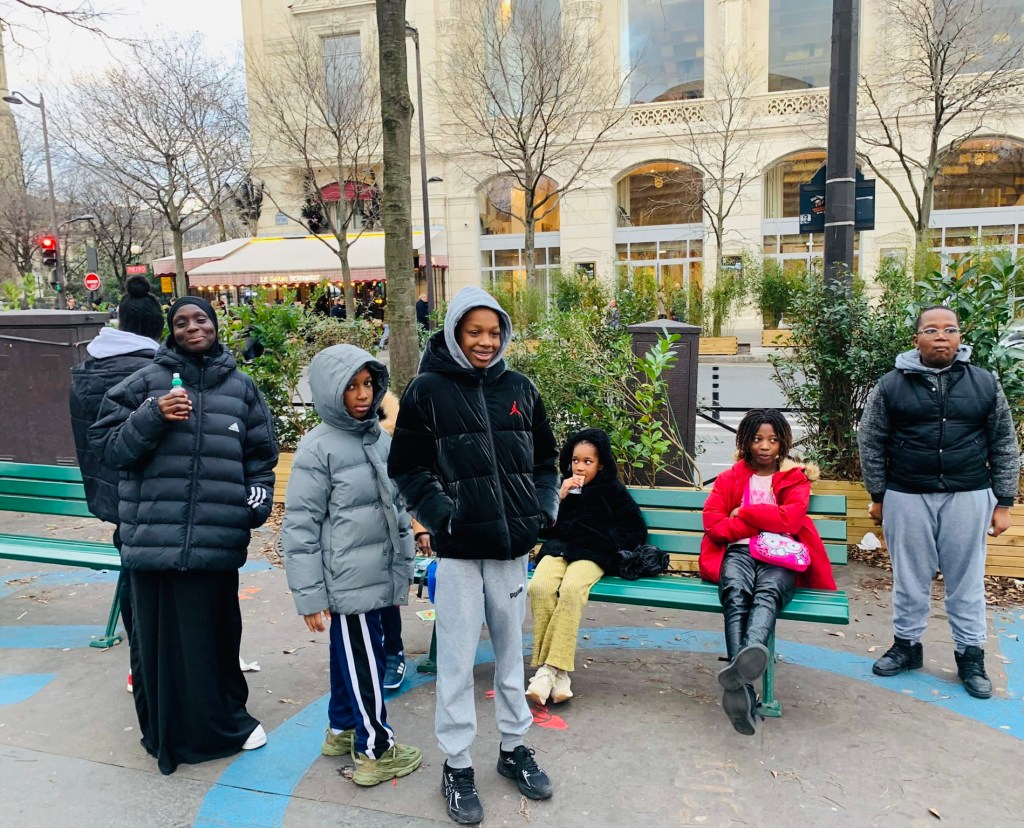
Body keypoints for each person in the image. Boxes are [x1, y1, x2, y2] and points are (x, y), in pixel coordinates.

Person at [389, 286, 559, 825]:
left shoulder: (520, 387)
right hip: (460, 553)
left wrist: (542, 510)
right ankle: (457, 764)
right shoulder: (427, 390)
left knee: (510, 658)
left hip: (511, 553)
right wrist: (444, 516)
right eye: (474, 332)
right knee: (458, 662)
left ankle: (513, 749)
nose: (485, 342)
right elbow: (407, 467)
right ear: (455, 333)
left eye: (493, 332)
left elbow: (546, 460)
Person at [89, 295, 278, 775]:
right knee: (161, 645)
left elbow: (260, 458)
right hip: (154, 541)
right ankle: (166, 732)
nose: (193, 327)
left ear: (214, 325)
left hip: (216, 540)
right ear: (170, 331)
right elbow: (109, 450)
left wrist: (254, 502)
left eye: (201, 319)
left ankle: (224, 723)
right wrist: (152, 415)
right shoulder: (144, 383)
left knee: (214, 638)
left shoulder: (242, 389)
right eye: (181, 321)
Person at [857, 306, 1018, 699]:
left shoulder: (984, 383)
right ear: (916, 340)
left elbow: (1003, 442)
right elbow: (871, 440)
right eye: (931, 330)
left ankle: (970, 656)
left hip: (968, 493)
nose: (941, 336)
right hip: (906, 494)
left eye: (950, 329)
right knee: (909, 578)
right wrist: (878, 495)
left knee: (967, 581)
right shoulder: (891, 385)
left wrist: (1004, 502)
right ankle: (906, 647)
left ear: (960, 338)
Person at [281, 344, 421, 786]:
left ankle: (342, 726)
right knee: (365, 661)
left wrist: (408, 553)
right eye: (351, 387)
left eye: (368, 384)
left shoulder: (380, 438)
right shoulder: (317, 449)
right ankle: (375, 749)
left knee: (350, 653)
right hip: (348, 580)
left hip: (378, 571)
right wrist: (309, 596)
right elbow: (300, 527)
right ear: (330, 391)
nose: (363, 395)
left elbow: (397, 505)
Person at [700, 409, 836, 735]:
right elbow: (714, 524)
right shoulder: (730, 478)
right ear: (746, 441)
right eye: (758, 439)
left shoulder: (795, 478)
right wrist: (762, 520)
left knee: (768, 593)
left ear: (782, 443)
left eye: (773, 440)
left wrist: (744, 512)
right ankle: (743, 685)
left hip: (780, 553)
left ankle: (739, 676)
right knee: (735, 593)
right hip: (739, 551)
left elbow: (790, 520)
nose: (765, 446)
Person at [69, 275, 164, 693]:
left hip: (111, 496)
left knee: (132, 574)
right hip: (154, 494)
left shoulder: (85, 370)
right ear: (158, 328)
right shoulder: (153, 373)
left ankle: (138, 666)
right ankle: (165, 666)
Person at [526, 427, 647, 706]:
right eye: (575, 460)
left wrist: (605, 541)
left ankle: (547, 669)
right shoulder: (562, 487)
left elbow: (635, 530)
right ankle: (558, 674)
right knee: (539, 586)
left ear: (600, 463)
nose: (579, 467)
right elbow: (540, 527)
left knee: (571, 590)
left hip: (592, 554)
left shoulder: (613, 491)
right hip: (559, 549)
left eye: (587, 461)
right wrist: (558, 498)